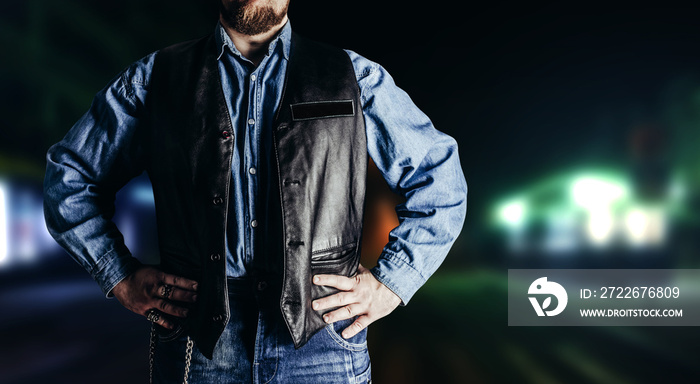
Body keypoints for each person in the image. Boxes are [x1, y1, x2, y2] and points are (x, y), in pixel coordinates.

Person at [43, 0, 467, 382]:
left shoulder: (353, 77)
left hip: (324, 338)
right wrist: (118, 275)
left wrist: (391, 284)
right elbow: (69, 176)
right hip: (197, 339)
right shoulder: (154, 78)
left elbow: (438, 178)